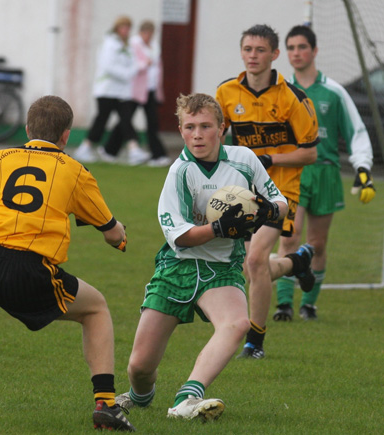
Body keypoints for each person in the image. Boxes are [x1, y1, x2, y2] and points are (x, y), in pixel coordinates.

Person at [0, 96, 135, 432]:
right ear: (66, 135)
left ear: (28, 129)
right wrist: (122, 237)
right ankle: (106, 404)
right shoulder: (75, 171)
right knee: (96, 308)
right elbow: (113, 234)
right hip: (26, 266)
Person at [114, 93, 313, 421]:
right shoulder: (179, 173)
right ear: (180, 130)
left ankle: (187, 399)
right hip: (177, 266)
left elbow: (280, 204)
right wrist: (220, 228)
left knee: (236, 323)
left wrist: (264, 210)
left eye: (206, 126)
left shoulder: (243, 159)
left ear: (221, 128)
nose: (197, 134)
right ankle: (139, 395)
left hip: (222, 267)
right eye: (190, 127)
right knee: (139, 366)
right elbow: (181, 236)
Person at [215, 24, 319, 359]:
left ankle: (254, 342)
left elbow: (310, 152)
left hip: (281, 192)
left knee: (256, 259)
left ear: (274, 55)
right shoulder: (227, 93)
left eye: (260, 50)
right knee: (252, 266)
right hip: (245, 191)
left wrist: (269, 157)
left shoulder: (293, 98)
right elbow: (216, 136)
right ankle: (296, 262)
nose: (253, 56)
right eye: (247, 49)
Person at [273, 25, 376, 321]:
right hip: (293, 172)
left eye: (302, 47)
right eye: (291, 48)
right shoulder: (281, 90)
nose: (296, 53)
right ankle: (283, 305)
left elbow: (356, 132)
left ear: (315, 51)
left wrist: (362, 168)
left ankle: (309, 304)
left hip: (327, 173)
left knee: (317, 245)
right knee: (289, 238)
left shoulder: (334, 91)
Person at [74, 16, 149, 166]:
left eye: (128, 27)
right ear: (117, 28)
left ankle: (133, 149)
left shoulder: (126, 46)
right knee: (102, 119)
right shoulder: (110, 44)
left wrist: (135, 68)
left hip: (121, 92)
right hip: (107, 90)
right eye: (123, 27)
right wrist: (128, 74)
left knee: (126, 119)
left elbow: (131, 64)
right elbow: (108, 66)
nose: (126, 30)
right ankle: (85, 147)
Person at [100, 20, 171, 167]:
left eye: (151, 34)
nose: (148, 37)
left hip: (150, 90)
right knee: (125, 121)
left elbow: (157, 67)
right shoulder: (134, 43)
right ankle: (109, 150)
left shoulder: (154, 45)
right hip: (135, 90)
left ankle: (157, 155)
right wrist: (145, 64)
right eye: (146, 33)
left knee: (151, 122)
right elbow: (134, 64)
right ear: (141, 32)